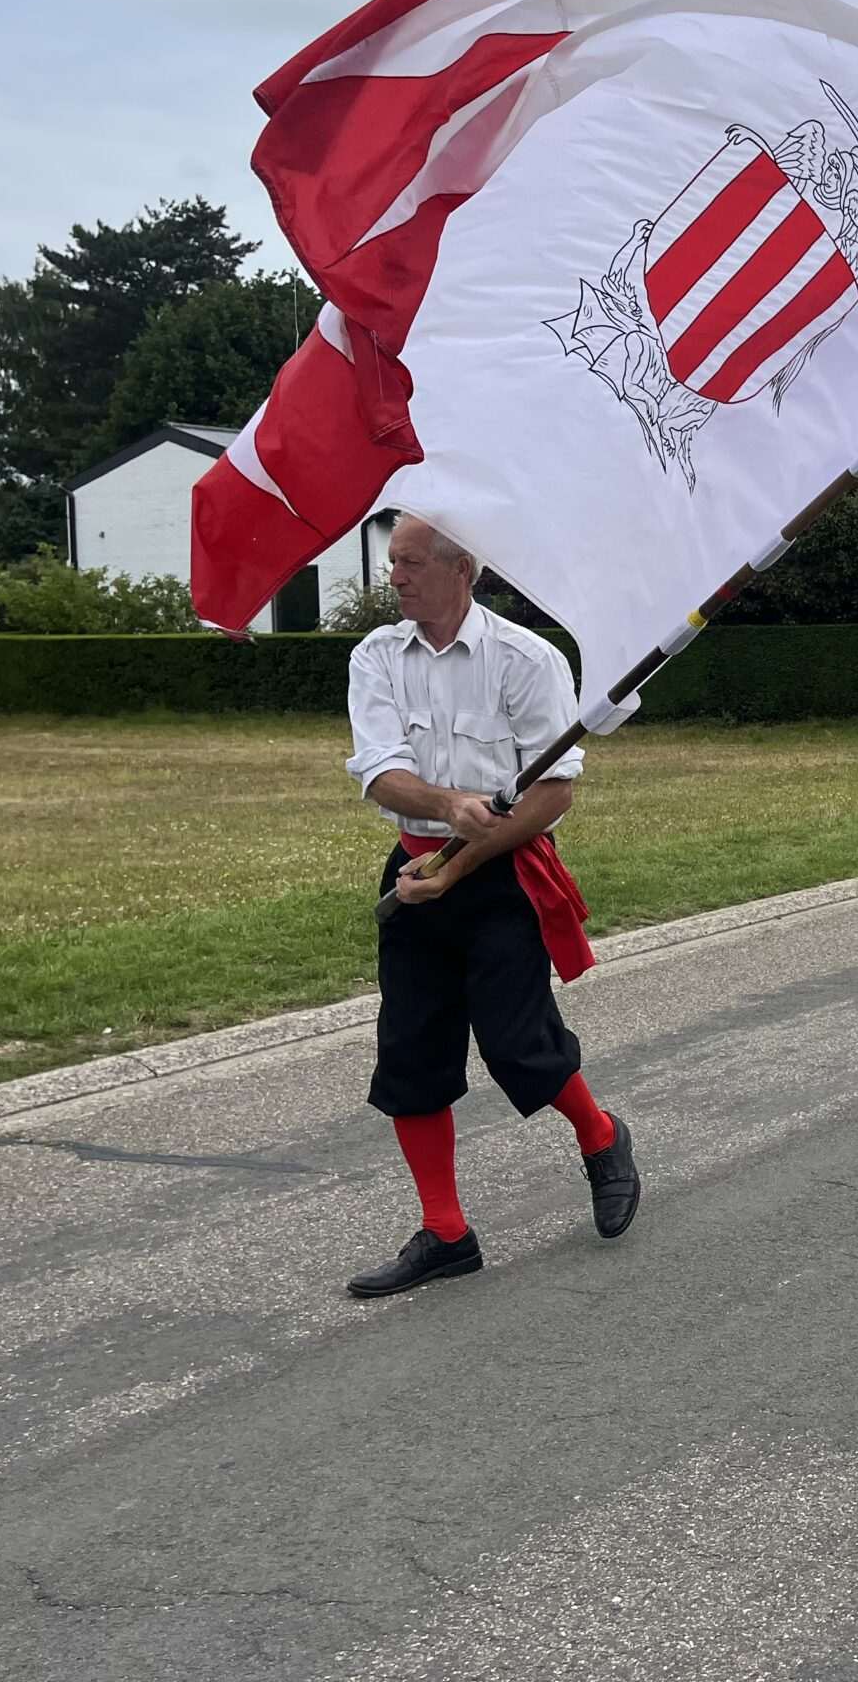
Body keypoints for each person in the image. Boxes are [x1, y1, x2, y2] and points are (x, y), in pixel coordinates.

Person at [341, 513, 641, 1298]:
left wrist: (463, 861)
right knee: (412, 1051)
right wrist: (448, 809)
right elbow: (379, 772)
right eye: (393, 562)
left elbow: (552, 794)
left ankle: (601, 1137)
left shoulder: (527, 659)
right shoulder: (375, 657)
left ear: (461, 569)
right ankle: (446, 1234)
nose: (395, 577)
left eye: (411, 562)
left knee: (518, 1044)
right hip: (414, 873)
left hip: (505, 873)